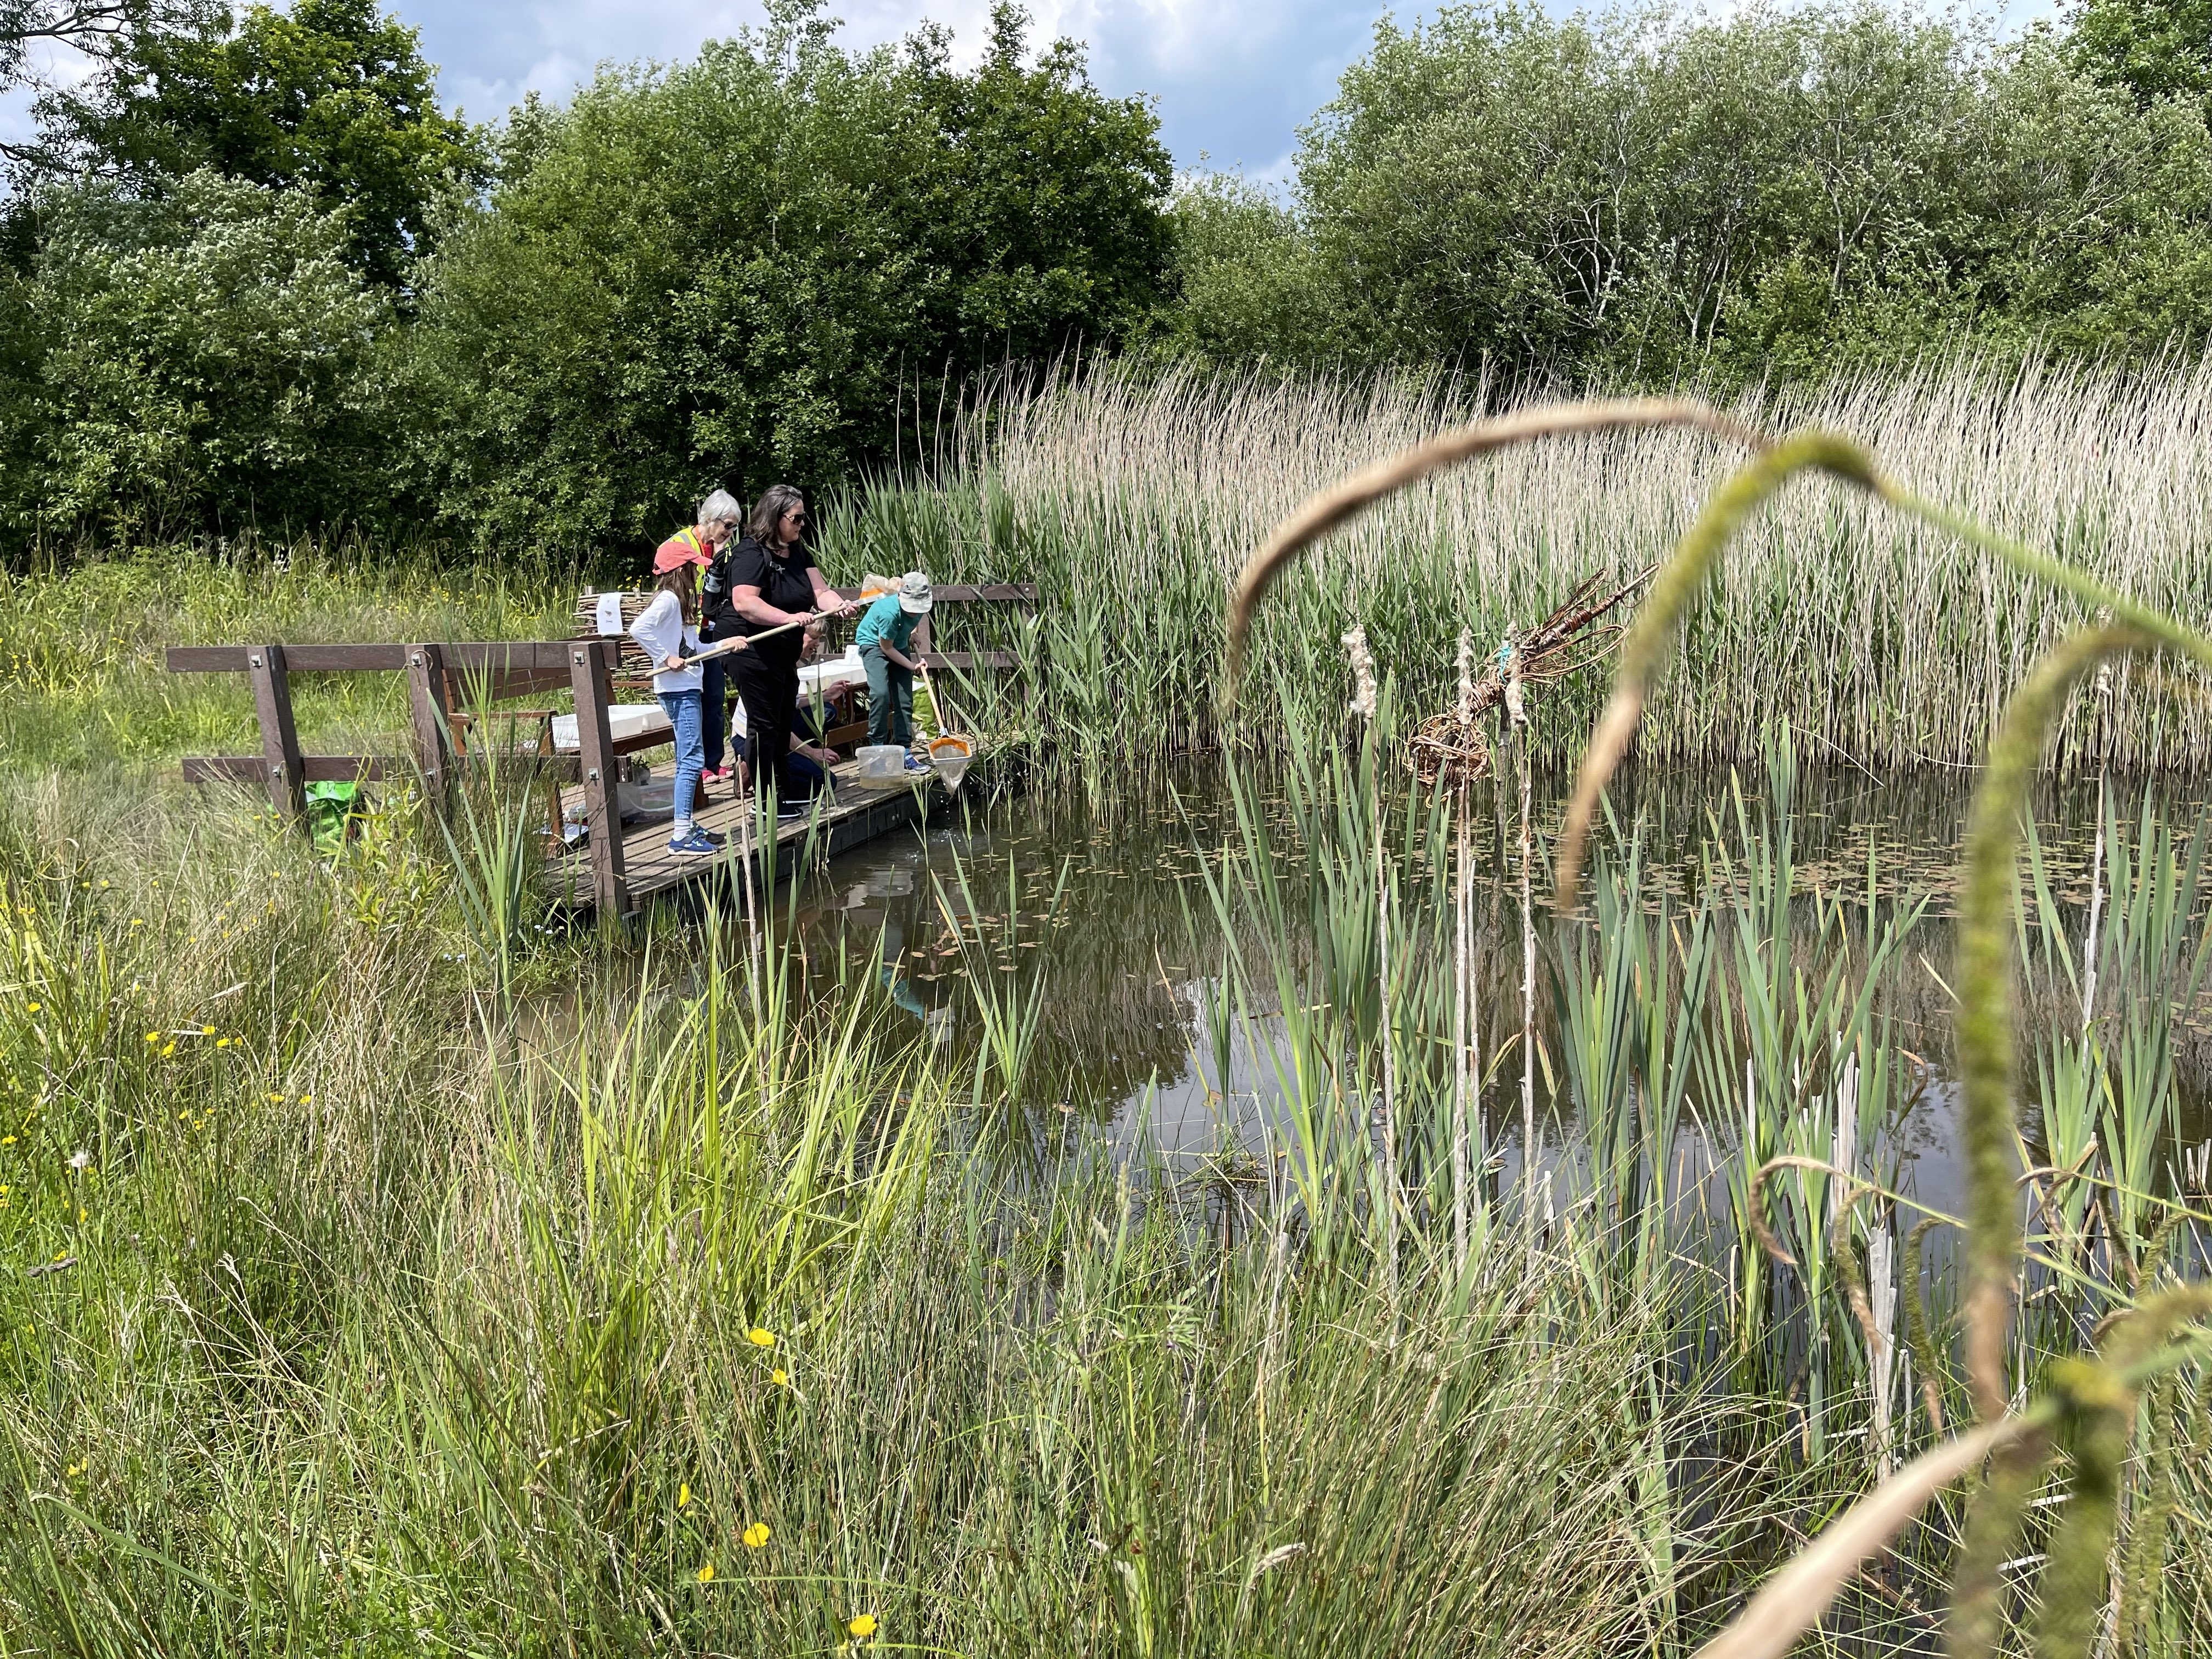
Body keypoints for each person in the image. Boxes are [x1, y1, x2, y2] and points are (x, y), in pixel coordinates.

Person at [703, 484, 853, 817]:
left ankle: (782, 789)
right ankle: (765, 799)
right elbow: (745, 602)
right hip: (747, 646)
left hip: (781, 649)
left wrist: (838, 605)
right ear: (775, 517)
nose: (801, 524)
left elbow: (821, 590)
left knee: (784, 715)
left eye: (803, 518)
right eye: (796, 518)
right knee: (765, 721)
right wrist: (790, 617)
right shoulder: (750, 553)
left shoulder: (797, 550)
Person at [628, 549, 716, 856]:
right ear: (681, 571)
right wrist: (665, 658)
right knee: (692, 759)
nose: (698, 574)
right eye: (694, 568)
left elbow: (694, 649)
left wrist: (725, 645)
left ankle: (687, 826)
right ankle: (680, 835)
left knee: (689, 757)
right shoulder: (667, 600)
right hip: (678, 692)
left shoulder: (680, 606)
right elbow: (638, 629)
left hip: (687, 687)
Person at [663, 490, 745, 782]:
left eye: (735, 526)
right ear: (710, 520)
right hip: (687, 634)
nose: (731, 532)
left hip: (710, 629)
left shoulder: (727, 546)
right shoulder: (680, 543)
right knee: (692, 700)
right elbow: (672, 584)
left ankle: (713, 761)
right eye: (727, 525)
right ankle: (695, 765)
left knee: (715, 697)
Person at [854, 571, 934, 771]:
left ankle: (905, 750)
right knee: (880, 694)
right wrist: (911, 666)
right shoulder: (889, 613)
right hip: (874, 645)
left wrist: (912, 634)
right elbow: (886, 648)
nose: (915, 612)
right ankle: (878, 748)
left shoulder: (920, 606)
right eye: (912, 607)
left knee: (905, 700)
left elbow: (912, 623)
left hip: (897, 645)